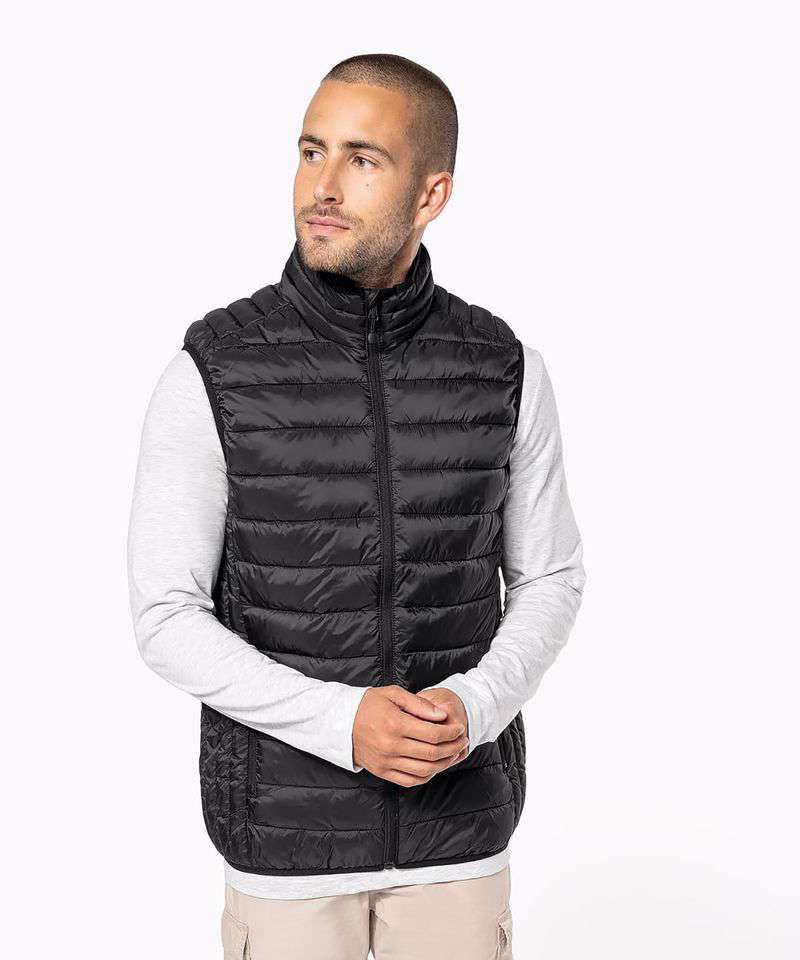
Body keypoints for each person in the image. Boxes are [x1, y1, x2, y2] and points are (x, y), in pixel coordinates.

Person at [126, 52, 586, 960]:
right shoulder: (215, 369)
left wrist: (475, 705)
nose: (323, 186)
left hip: (458, 838)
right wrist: (343, 725)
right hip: (285, 848)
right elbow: (164, 615)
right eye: (312, 151)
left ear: (431, 193)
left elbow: (552, 576)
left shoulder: (502, 366)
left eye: (363, 159)